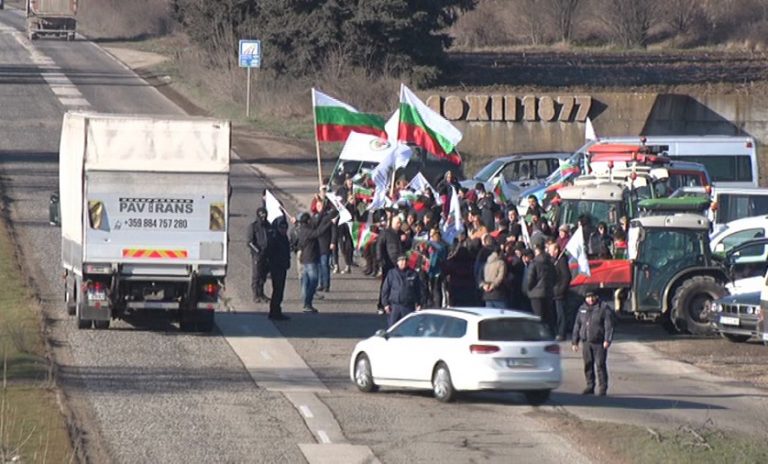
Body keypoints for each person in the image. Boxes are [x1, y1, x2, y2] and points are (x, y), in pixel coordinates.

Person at [571, 291, 615, 396]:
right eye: (588, 297)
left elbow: (608, 326)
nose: (590, 299)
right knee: (588, 364)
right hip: (586, 341)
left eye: (592, 297)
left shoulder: (603, 308)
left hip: (599, 342)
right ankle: (590, 386)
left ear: (596, 297)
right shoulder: (582, 309)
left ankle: (602, 388)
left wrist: (607, 340)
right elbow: (577, 326)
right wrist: (574, 341)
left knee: (600, 365)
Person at [291, 211, 332, 313]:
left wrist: (322, 212)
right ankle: (307, 303)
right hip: (310, 259)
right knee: (313, 282)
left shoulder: (302, 229)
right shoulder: (306, 231)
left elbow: (316, 224)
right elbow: (318, 232)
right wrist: (330, 223)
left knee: (306, 281)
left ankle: (305, 299)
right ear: (307, 221)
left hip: (305, 259)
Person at [381, 255, 425, 327]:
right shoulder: (392, 273)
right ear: (397, 262)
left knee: (408, 328)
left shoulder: (413, 274)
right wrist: (385, 304)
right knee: (393, 328)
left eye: (405, 261)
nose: (403, 262)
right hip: (395, 307)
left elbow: (419, 289)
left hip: (408, 306)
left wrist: (420, 304)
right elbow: (385, 289)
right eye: (401, 261)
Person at [376, 213, 405, 313]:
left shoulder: (402, 234)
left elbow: (408, 246)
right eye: (397, 223)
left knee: (398, 284)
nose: (399, 225)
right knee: (385, 285)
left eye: (400, 223)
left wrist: (406, 240)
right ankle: (381, 304)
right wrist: (380, 260)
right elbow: (379, 245)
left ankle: (393, 304)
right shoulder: (385, 233)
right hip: (388, 262)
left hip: (400, 263)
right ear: (392, 223)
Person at [527, 242, 556, 331]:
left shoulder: (534, 263)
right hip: (548, 292)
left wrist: (528, 289)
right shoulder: (550, 262)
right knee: (548, 316)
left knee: (538, 317)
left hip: (536, 293)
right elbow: (555, 276)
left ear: (536, 251)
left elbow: (530, 279)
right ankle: (549, 334)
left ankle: (539, 334)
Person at [266, 219, 291, 320]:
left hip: (282, 267)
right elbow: (270, 253)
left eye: (285, 228)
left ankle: (276, 311)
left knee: (280, 291)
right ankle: (274, 312)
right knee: (277, 290)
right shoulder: (274, 238)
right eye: (282, 227)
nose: (284, 230)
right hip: (276, 267)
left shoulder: (284, 238)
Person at [548, 240, 571, 340]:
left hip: (559, 293)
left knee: (561, 314)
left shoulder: (562, 260)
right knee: (553, 314)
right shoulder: (553, 260)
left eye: (551, 250)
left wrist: (560, 290)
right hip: (552, 291)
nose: (549, 253)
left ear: (556, 250)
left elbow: (566, 276)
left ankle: (561, 333)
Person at [247, 207, 271, 303]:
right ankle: (255, 295)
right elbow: (249, 242)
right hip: (257, 255)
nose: (263, 218)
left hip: (267, 255)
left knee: (263, 276)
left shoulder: (268, 226)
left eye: (265, 215)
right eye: (261, 216)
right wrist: (258, 251)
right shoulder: (253, 226)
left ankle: (261, 293)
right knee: (256, 275)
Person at [480, 243, 507, 308]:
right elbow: (501, 277)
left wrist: (484, 285)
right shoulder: (501, 263)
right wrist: (493, 285)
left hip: (487, 294)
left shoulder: (486, 263)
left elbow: (480, 276)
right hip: (498, 293)